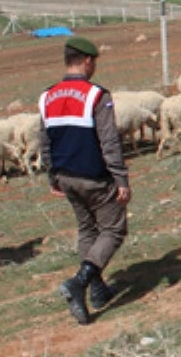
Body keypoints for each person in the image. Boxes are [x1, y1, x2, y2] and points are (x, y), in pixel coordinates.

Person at [39, 37, 131, 324]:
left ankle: (98, 290)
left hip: (66, 177)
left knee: (87, 229)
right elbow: (109, 140)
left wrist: (52, 175)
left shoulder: (47, 96)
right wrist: (121, 178)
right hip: (94, 176)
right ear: (88, 61)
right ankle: (80, 282)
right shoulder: (96, 95)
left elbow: (44, 141)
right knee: (114, 230)